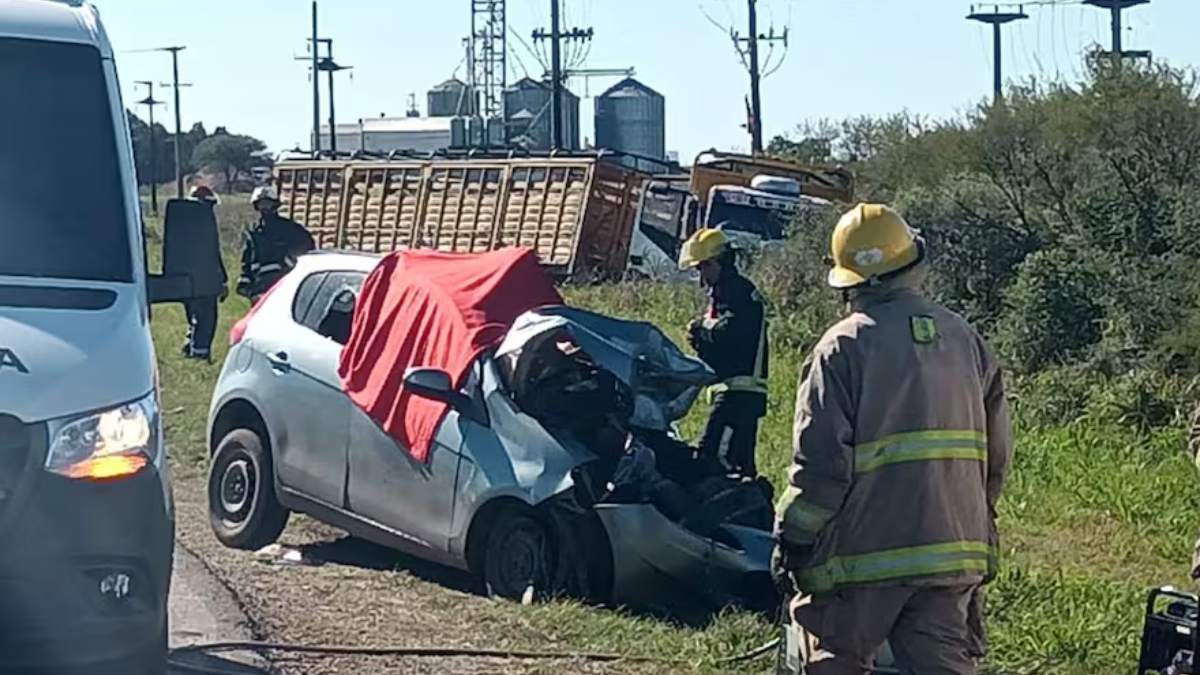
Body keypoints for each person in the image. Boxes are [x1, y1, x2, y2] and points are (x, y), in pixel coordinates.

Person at [772, 203, 1013, 675]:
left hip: (861, 560)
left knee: (832, 659)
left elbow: (821, 469)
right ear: (912, 263)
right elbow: (996, 458)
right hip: (953, 552)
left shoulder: (842, 347)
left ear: (852, 280)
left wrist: (793, 538)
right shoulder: (964, 338)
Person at [678, 226, 769, 479]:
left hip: (740, 393)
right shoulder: (723, 293)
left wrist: (699, 328)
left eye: (706, 266)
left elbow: (731, 332)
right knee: (737, 465)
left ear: (723, 261)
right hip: (731, 391)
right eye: (699, 268)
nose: (702, 274)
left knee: (714, 460)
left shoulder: (740, 293)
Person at [236, 185, 315, 303]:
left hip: (284, 287)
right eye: (261, 204)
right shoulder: (255, 233)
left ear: (275, 205)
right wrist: (246, 288)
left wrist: (287, 264)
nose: (264, 208)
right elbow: (248, 261)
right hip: (260, 289)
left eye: (267, 204)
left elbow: (307, 248)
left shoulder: (290, 229)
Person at [181, 185, 228, 362]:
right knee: (206, 319)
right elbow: (211, 254)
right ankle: (199, 355)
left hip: (186, 280)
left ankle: (189, 347)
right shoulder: (203, 224)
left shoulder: (183, 223)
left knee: (194, 317)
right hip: (204, 281)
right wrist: (221, 280)